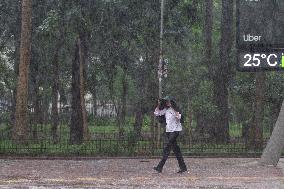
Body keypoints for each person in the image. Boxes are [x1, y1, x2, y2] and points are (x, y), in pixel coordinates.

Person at [153, 96, 187, 173]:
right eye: (166, 102)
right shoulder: (166, 110)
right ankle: (183, 167)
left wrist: (177, 113)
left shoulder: (175, 110)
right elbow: (157, 113)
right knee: (176, 151)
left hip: (175, 131)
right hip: (168, 131)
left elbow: (180, 118)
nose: (167, 103)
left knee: (167, 147)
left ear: (171, 102)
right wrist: (158, 104)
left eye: (168, 101)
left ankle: (160, 166)